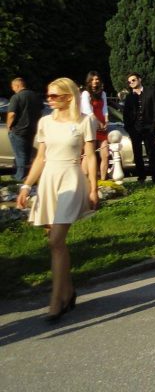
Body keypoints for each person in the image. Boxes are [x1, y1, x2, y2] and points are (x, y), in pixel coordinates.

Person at [16, 77, 98, 322]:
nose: (49, 99)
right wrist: (26, 185)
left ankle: (56, 300)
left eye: (54, 96)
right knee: (57, 244)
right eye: (48, 95)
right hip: (49, 180)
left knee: (56, 240)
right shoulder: (45, 122)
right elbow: (41, 157)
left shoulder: (84, 121)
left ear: (69, 97)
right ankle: (68, 292)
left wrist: (93, 188)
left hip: (71, 178)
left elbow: (91, 156)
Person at [122, 72, 155, 182]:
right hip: (135, 129)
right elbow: (126, 114)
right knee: (137, 153)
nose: (131, 83)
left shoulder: (150, 92)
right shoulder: (129, 97)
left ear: (139, 79)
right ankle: (141, 176)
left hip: (149, 128)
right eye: (129, 82)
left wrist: (153, 126)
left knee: (151, 152)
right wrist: (129, 128)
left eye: (133, 80)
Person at [7, 77, 42, 182]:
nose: (13, 89)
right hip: (32, 130)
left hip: (18, 130)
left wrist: (9, 126)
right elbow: (40, 110)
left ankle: (20, 177)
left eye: (13, 87)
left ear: (17, 85)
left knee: (20, 155)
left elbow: (12, 114)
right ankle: (27, 175)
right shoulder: (35, 96)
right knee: (27, 155)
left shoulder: (16, 97)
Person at [79, 72, 110, 181]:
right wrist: (97, 122)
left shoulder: (103, 93)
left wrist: (106, 120)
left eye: (97, 79)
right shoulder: (85, 93)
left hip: (102, 125)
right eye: (92, 79)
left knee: (105, 154)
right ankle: (84, 180)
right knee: (89, 153)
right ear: (89, 81)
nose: (95, 81)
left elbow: (105, 108)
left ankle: (103, 181)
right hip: (91, 124)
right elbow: (87, 110)